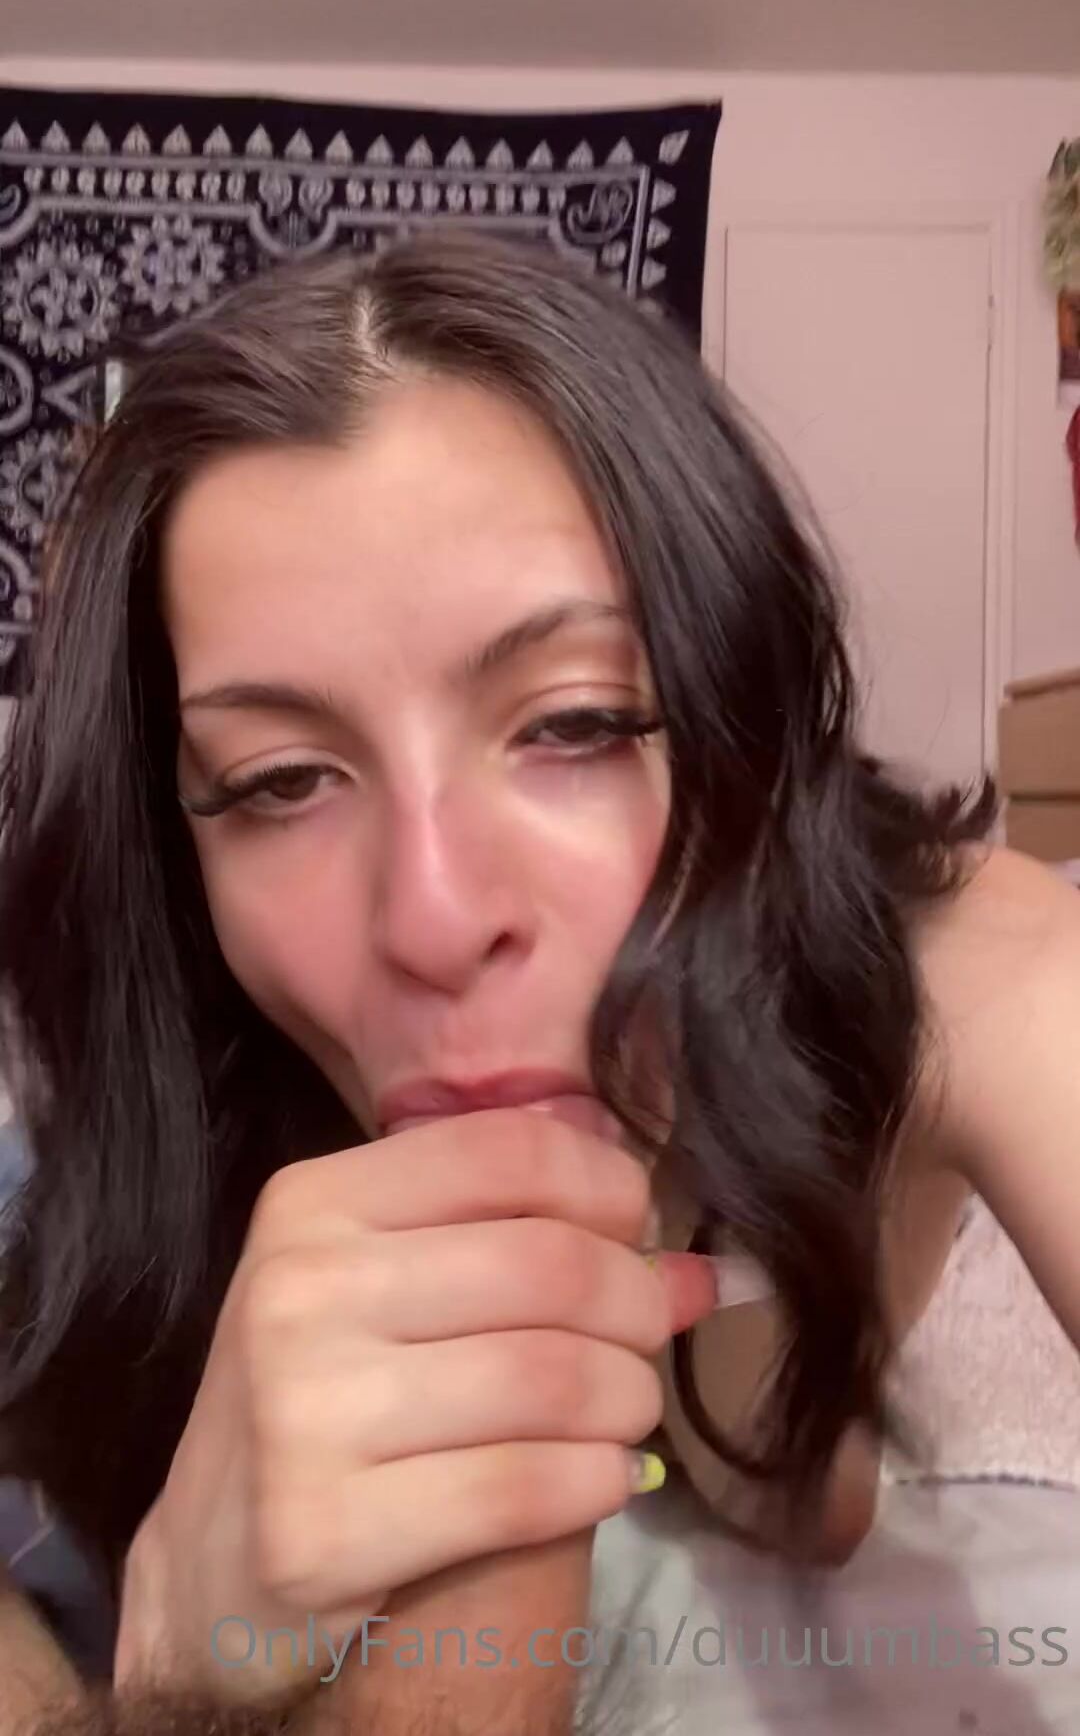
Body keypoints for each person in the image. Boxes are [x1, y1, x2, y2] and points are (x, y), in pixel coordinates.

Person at [0, 230, 1078, 1736]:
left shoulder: (953, 958)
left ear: (742, 717)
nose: (434, 918)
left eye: (574, 722)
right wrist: (177, 1671)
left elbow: (803, 1495)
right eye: (279, 778)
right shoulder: (147, 1115)